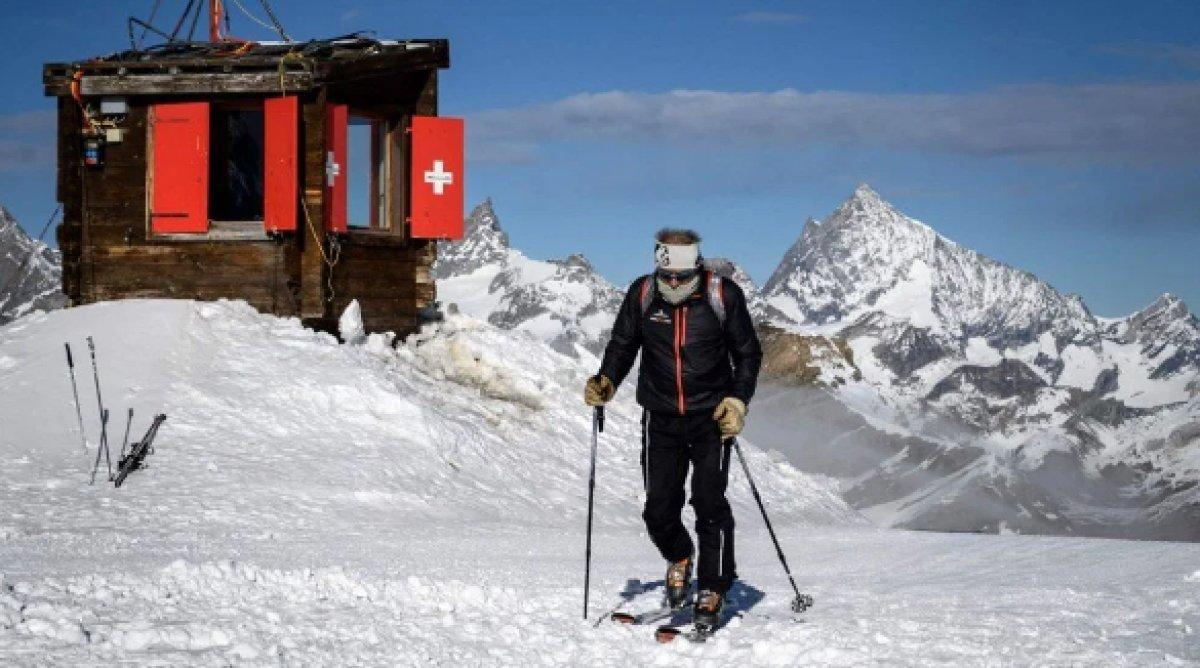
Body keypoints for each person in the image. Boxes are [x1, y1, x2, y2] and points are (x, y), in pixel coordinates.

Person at [584, 228, 762, 630]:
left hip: (710, 417)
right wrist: (607, 380)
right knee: (658, 508)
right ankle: (680, 556)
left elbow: (748, 353)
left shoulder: (722, 295)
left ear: (697, 266)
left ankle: (714, 587)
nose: (674, 284)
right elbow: (623, 344)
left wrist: (737, 400)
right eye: (668, 277)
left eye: (681, 277)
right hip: (660, 417)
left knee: (708, 502)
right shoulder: (643, 294)